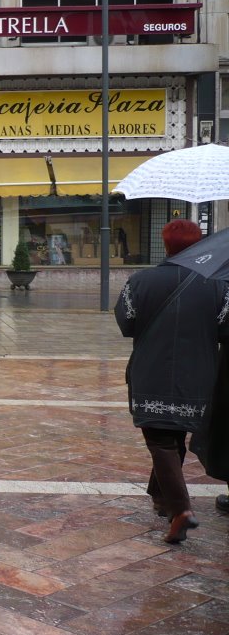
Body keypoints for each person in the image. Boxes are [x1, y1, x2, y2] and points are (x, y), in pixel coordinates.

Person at [115, 219, 229, 544]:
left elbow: (127, 322)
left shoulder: (140, 281)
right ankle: (161, 497)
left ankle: (181, 510)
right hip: (199, 378)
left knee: (161, 441)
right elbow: (225, 328)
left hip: (150, 373)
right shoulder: (220, 287)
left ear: (164, 245)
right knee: (173, 435)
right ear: (200, 245)